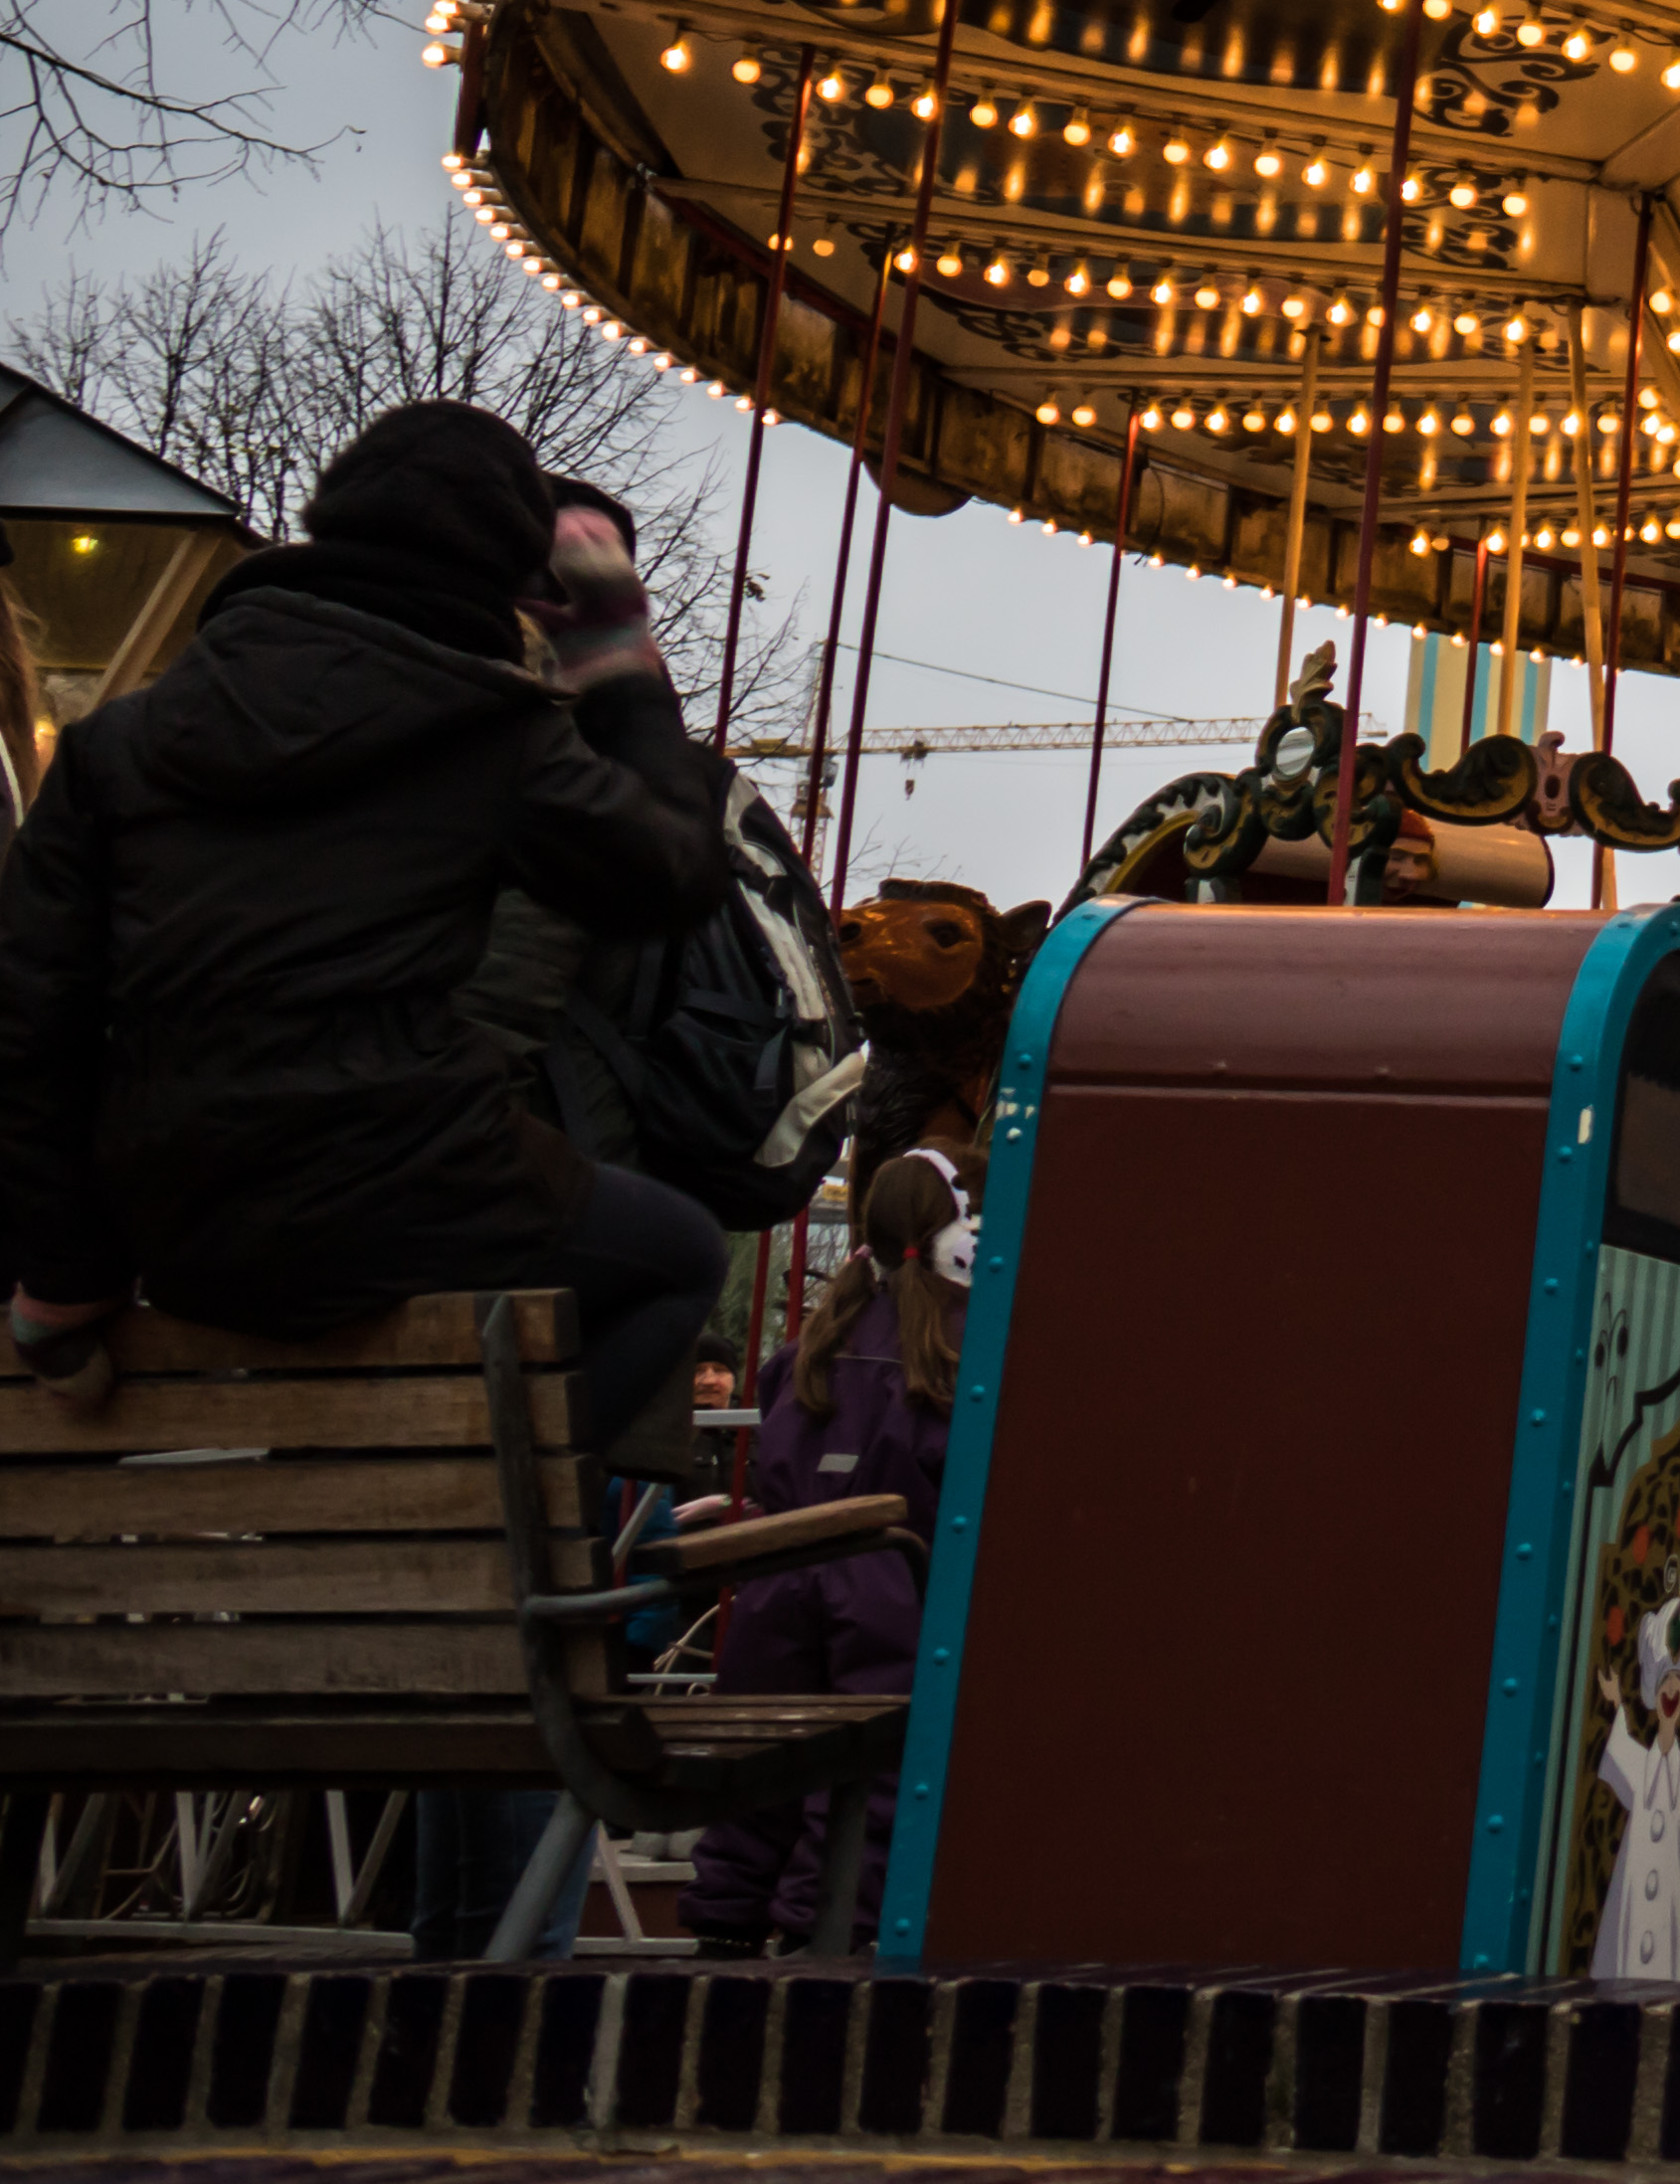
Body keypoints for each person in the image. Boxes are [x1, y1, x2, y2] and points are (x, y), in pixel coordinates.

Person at [0, 404, 737, 1456]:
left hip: (175, 1217)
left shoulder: (119, 743)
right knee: (679, 1257)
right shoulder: (493, 732)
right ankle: (490, 1514)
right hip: (408, 1184)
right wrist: (614, 655)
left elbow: (35, 1027)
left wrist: (66, 1278)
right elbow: (674, 873)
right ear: (504, 567)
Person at [685, 1149, 967, 1953]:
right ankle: (826, 1936)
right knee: (870, 1778)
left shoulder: (815, 1342)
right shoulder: (958, 1347)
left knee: (763, 1764)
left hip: (778, 1577)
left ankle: (722, 1928)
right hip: (889, 1583)